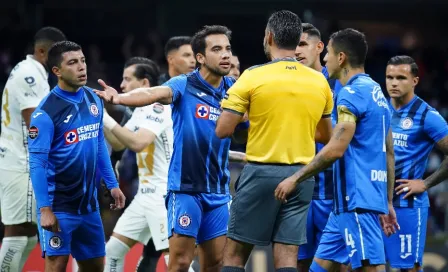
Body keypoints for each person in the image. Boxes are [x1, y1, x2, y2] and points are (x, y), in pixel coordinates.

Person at [95, 25, 247, 272]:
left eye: (228, 48)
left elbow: (245, 124)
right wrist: (120, 99)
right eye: (217, 49)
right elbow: (153, 93)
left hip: (218, 192)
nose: (225, 54)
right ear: (201, 57)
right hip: (185, 190)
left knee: (215, 264)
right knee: (178, 263)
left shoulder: (234, 89)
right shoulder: (184, 85)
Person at [216, 10, 333, 272]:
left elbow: (223, 130)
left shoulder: (253, 76)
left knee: (234, 255)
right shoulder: (319, 82)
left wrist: (256, 120)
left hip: (261, 173)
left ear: (269, 37)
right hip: (301, 177)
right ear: (296, 40)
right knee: (288, 258)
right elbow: (325, 136)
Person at [274, 28, 400, 272]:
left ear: (341, 58)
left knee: (369, 267)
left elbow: (335, 149)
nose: (324, 60)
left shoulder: (349, 94)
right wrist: (387, 201)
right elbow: (389, 151)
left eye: (328, 54)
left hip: (356, 200)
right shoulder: (377, 93)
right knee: (318, 268)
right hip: (347, 205)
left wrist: (295, 178)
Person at [27, 41, 125, 272]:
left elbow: (98, 143)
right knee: (57, 266)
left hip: (89, 208)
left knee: (94, 268)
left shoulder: (93, 98)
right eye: (73, 63)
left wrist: (112, 184)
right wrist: (44, 209)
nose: (82, 67)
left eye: (83, 61)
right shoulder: (45, 113)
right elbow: (37, 163)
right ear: (57, 71)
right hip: (59, 207)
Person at [102, 57, 178, 271]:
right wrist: (101, 117)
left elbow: (137, 142)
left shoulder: (157, 107)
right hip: (145, 195)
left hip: (162, 195)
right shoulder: (141, 110)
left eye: (127, 79)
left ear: (145, 84)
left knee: (175, 261)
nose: (122, 86)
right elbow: (119, 142)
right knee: (113, 252)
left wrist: (105, 117)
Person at [0, 26, 66, 272]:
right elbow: (35, 126)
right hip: (21, 163)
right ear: (41, 51)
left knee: (26, 230)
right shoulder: (30, 74)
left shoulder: (29, 71)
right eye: (56, 54)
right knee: (17, 228)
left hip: (18, 161)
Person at [383, 56, 448, 272]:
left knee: (408, 268)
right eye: (389, 77)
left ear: (415, 81)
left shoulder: (427, 115)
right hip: (375, 203)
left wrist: (426, 183)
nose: (393, 82)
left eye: (401, 78)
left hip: (407, 204)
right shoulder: (378, 108)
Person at [294, 23, 342, 272]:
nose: (297, 51)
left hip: (333, 194)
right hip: (297, 193)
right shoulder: (289, 86)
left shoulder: (339, 85)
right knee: (298, 263)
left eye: (302, 44)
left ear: (319, 47)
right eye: (293, 46)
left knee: (338, 265)